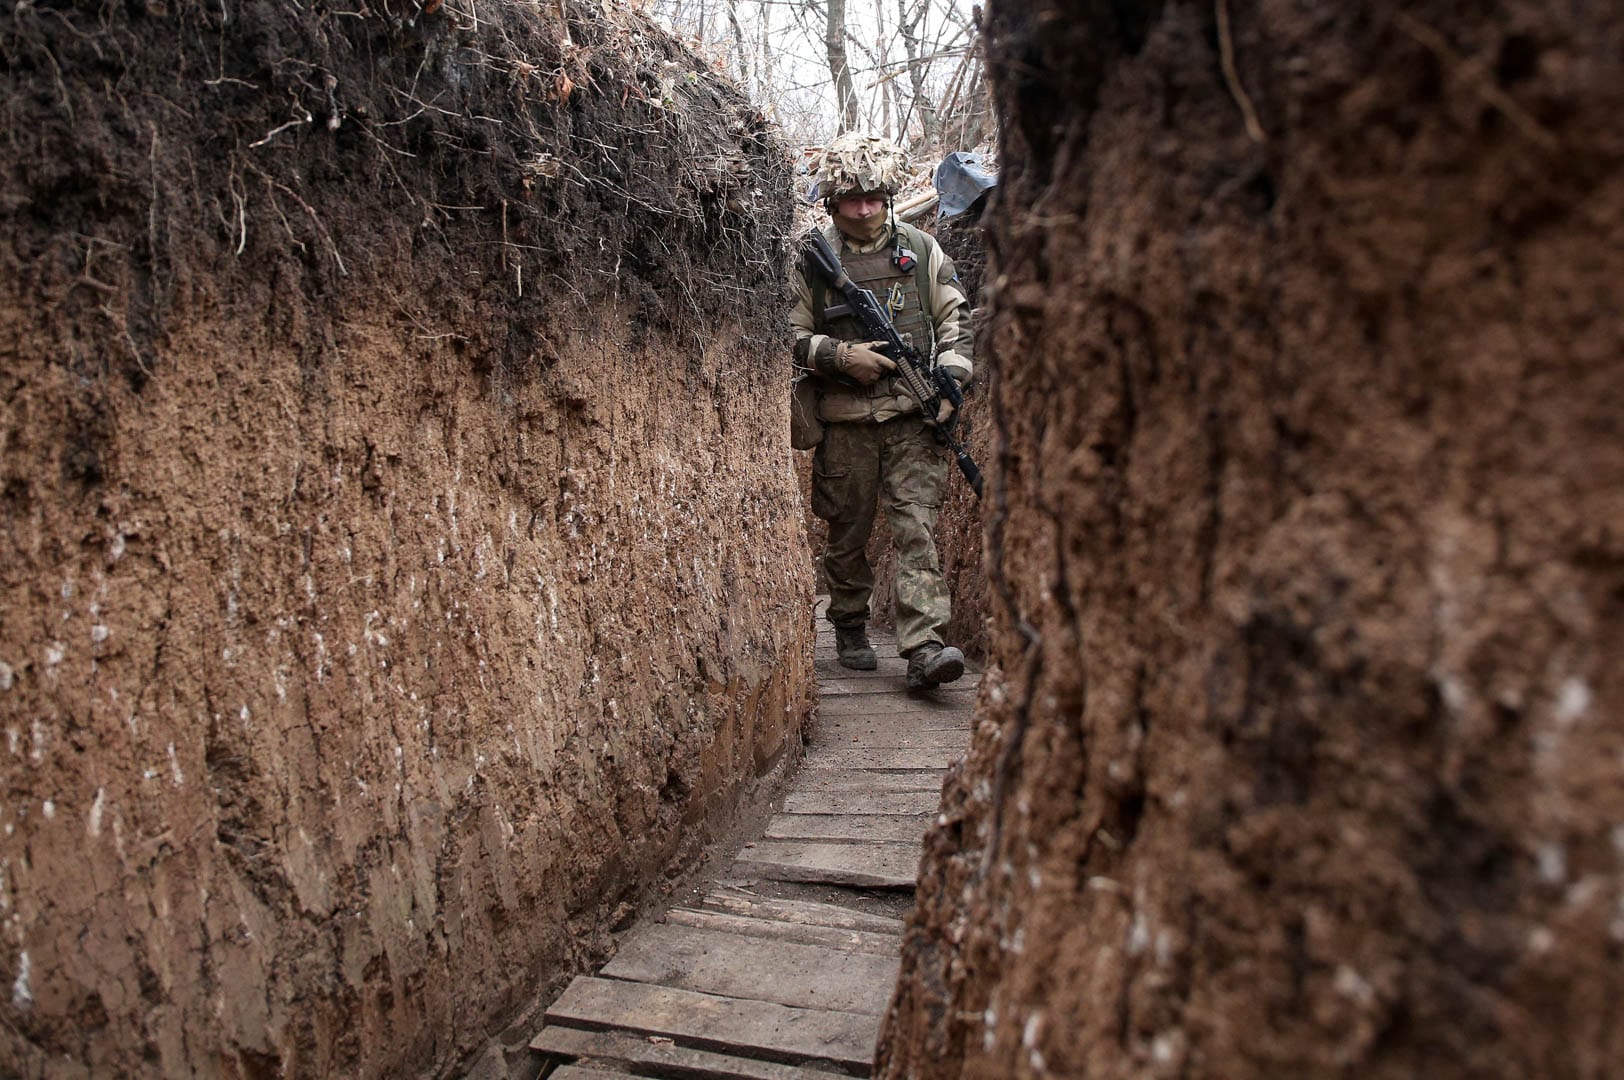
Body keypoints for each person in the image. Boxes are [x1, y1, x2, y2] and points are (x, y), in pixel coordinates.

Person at [791, 133, 974, 691]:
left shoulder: (920, 250)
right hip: (846, 423)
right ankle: (848, 623)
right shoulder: (813, 262)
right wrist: (842, 355)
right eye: (852, 199)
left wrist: (951, 382)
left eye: (874, 197)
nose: (865, 209)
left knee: (916, 527)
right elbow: (790, 333)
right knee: (847, 532)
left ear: (888, 195)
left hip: (913, 422)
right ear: (832, 202)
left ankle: (925, 645)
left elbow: (956, 323)